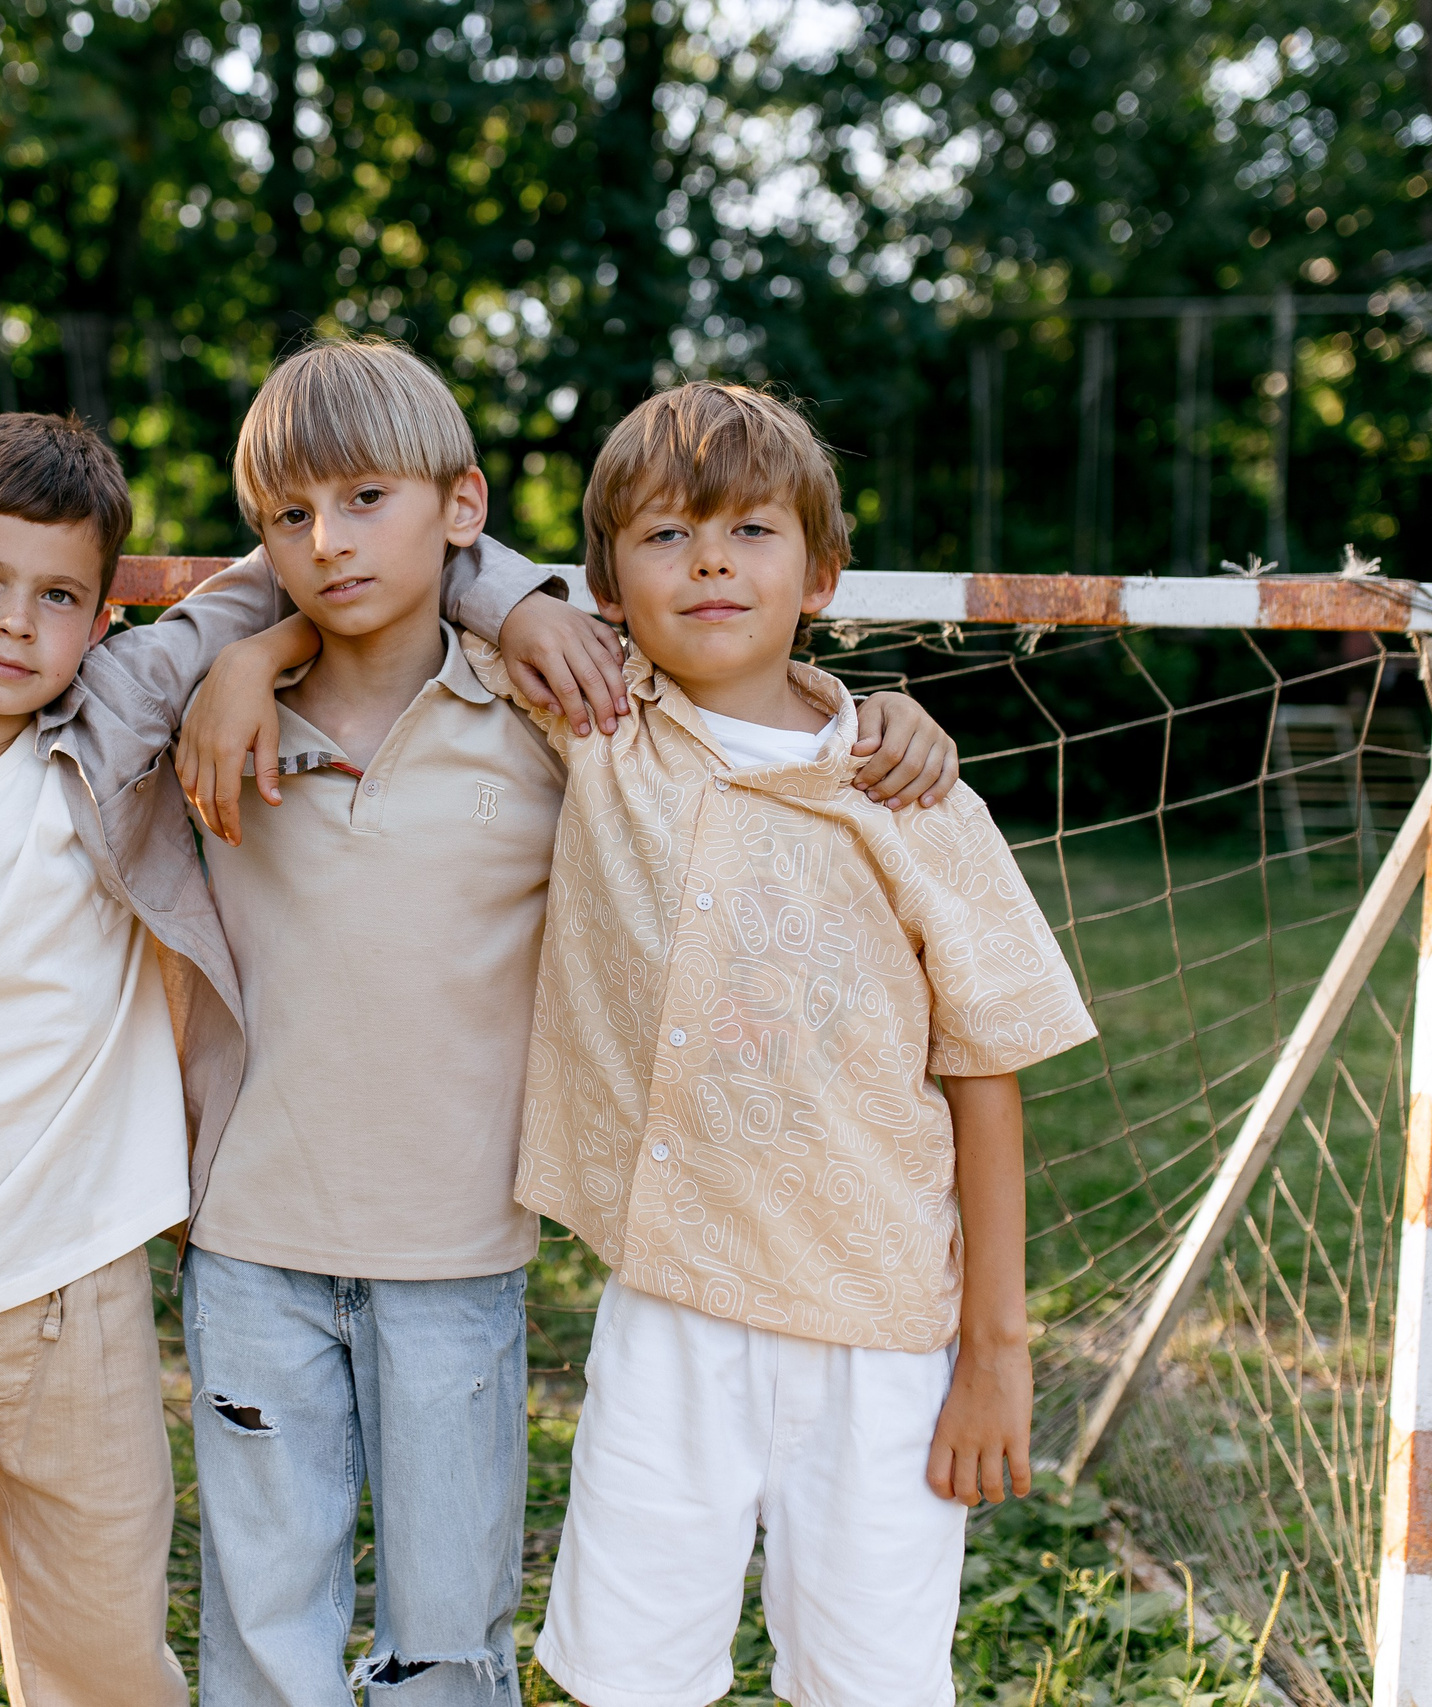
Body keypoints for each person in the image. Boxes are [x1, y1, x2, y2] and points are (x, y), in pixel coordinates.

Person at [0, 342, 962, 1707]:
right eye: (289, 518)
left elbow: (730, 704)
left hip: (459, 1257)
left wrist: (883, 719)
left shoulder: (554, 704)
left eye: (369, 500)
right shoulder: (192, 719)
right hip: (251, 1248)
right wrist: (227, 657)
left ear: (459, 506)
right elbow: (47, 691)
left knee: (446, 1635)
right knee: (266, 1621)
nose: (329, 543)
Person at [0, 408, 592, 1707]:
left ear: (103, 623)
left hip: (78, 1296)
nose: (15, 623)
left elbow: (308, 572)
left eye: (57, 595)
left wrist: (478, 613)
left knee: (104, 1659)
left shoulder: (114, 730)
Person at [474, 381, 1097, 1706]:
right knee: (629, 1676)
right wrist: (519, 606)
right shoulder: (594, 726)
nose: (708, 559)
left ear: (822, 573)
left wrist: (996, 1353)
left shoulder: (908, 793)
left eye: (751, 530)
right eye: (664, 536)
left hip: (882, 1335)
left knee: (870, 1683)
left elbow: (988, 1075)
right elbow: (417, 572)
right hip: (672, 1304)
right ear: (605, 581)